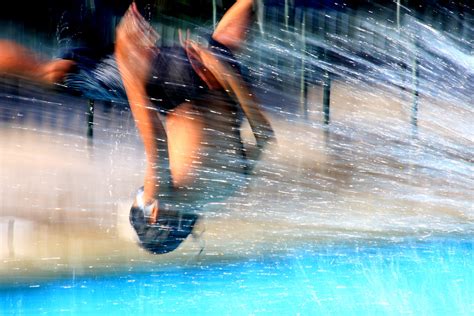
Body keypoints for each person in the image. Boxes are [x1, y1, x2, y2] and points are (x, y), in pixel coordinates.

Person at [0, 0, 274, 254]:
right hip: (177, 82)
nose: (143, 191)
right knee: (52, 74)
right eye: (140, 195)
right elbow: (158, 147)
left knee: (223, 44)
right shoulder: (165, 201)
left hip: (219, 82)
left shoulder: (227, 190)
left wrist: (227, 72)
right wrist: (131, 69)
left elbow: (264, 135)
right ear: (154, 216)